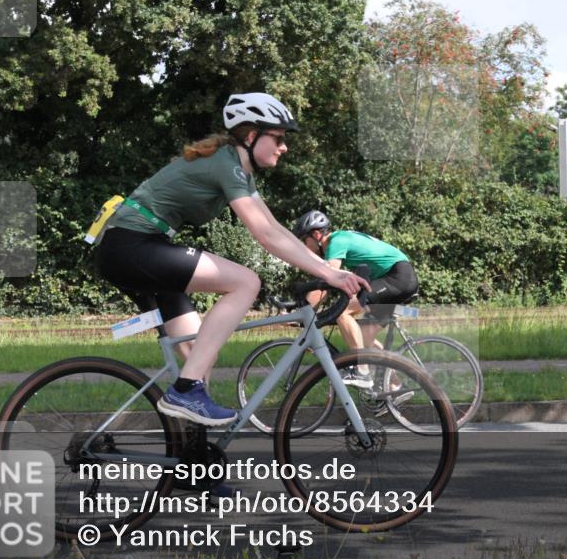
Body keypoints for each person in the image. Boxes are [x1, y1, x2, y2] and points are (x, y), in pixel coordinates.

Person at [94, 93, 370, 427]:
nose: (284, 147)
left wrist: (328, 271)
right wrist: (330, 275)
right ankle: (184, 390)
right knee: (245, 282)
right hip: (130, 245)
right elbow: (265, 236)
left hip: (136, 246)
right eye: (278, 138)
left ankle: (196, 468)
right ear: (251, 135)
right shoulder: (226, 164)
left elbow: (275, 229)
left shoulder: (238, 170)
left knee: (199, 353)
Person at [291, 210, 419, 387]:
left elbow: (326, 282)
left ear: (317, 234)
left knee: (342, 313)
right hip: (396, 277)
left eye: (304, 241)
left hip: (398, 277)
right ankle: (395, 386)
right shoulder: (342, 239)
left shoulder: (336, 242)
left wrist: (303, 312)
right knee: (364, 337)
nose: (305, 247)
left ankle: (363, 372)